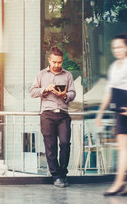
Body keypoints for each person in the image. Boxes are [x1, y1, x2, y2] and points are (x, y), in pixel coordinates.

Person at [95, 33, 127, 196]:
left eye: (120, 47)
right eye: (114, 47)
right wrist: (100, 113)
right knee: (123, 146)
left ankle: (119, 182)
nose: (116, 50)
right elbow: (109, 91)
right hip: (119, 108)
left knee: (122, 146)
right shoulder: (113, 66)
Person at [30, 46, 76, 188]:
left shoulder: (68, 75)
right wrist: (45, 89)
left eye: (60, 62)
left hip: (63, 114)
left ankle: (63, 173)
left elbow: (73, 93)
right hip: (47, 114)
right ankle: (56, 176)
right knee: (50, 147)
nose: (57, 65)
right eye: (54, 62)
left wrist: (65, 95)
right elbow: (32, 92)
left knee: (65, 144)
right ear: (49, 60)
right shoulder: (41, 75)